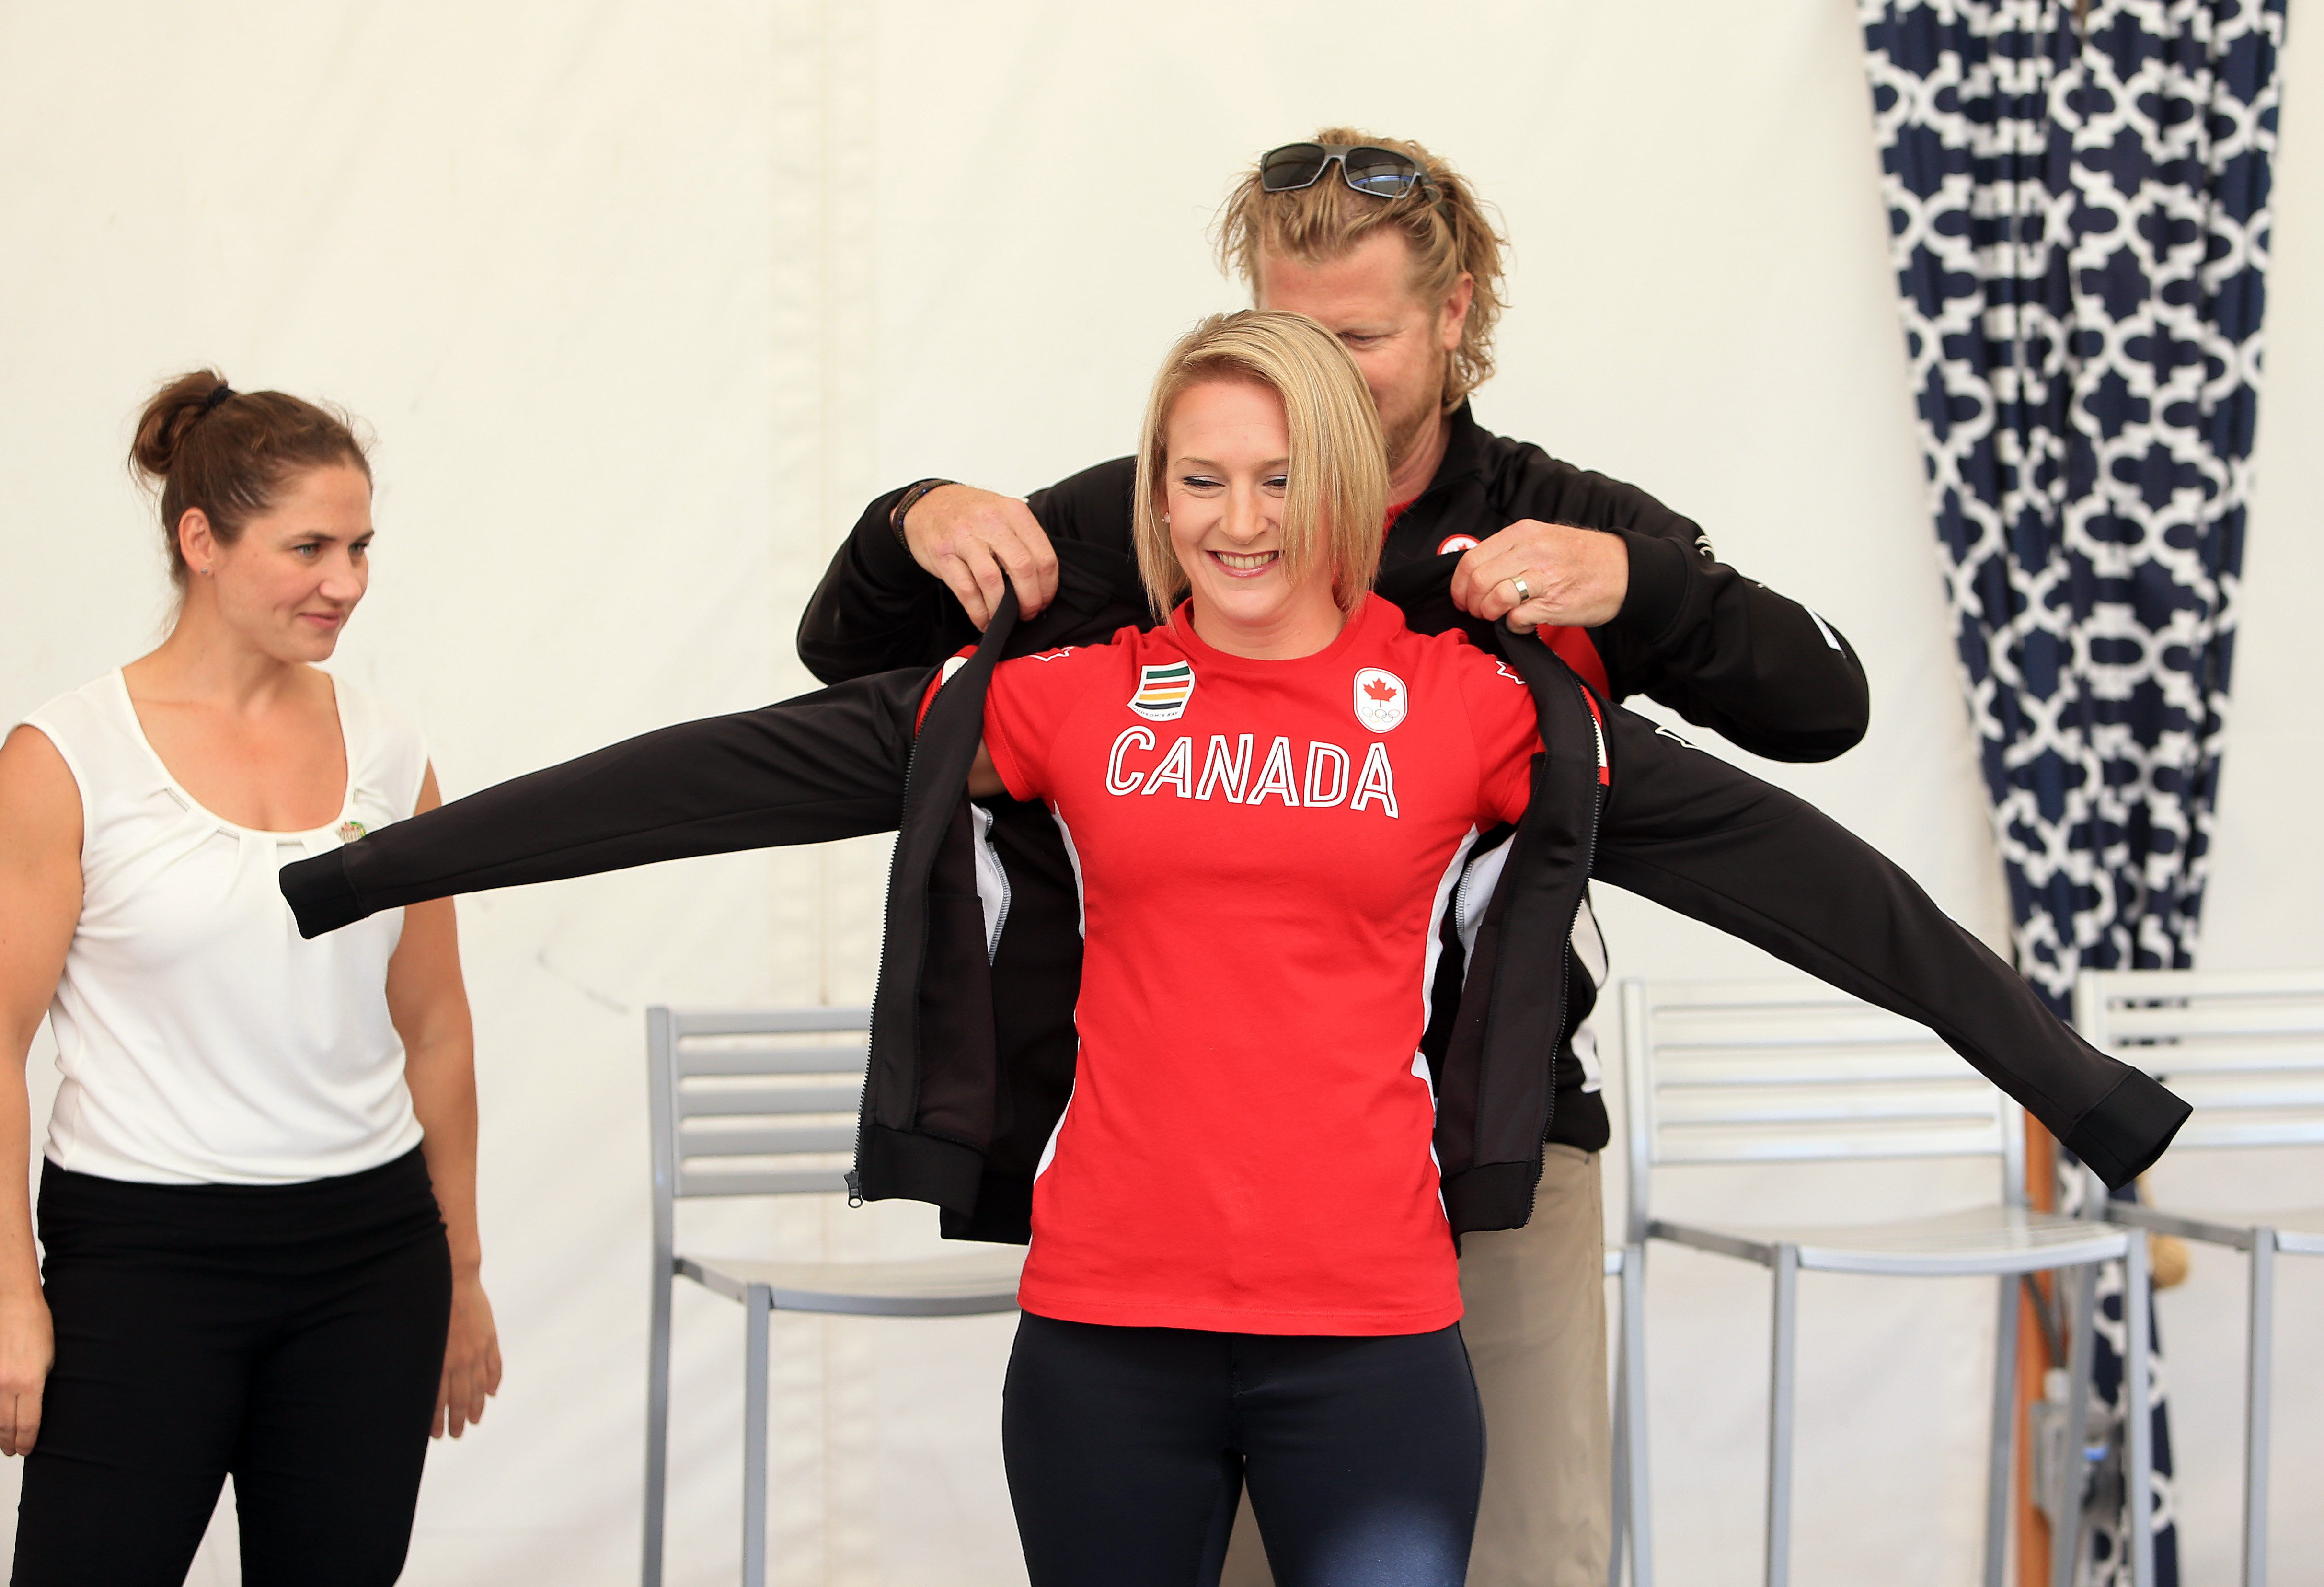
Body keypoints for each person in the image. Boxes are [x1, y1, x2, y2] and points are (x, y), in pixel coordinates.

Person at [278, 313, 2185, 1587]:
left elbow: (1811, 881)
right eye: (1201, 479)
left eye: (1280, 477)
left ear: (1348, 482)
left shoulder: (1475, 708)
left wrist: (2086, 1095)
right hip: (1109, 1337)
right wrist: (374, 872)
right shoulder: (1062, 697)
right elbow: (729, 773)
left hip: (1373, 1345)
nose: (1241, 517)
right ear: (1152, 496)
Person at [795, 130, 1871, 1587]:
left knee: (1525, 1566)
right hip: (1210, 1186)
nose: (1321, 376)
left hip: (1494, 1147)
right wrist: (910, 519)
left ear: (1456, 313)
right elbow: (850, 669)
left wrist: (1647, 587)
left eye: (1358, 337)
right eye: (1289, 330)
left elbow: (1825, 706)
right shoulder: (1177, 507)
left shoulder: (1555, 519)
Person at [0, 372, 502, 1586]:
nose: (348, 582)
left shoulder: (390, 751)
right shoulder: (69, 758)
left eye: (362, 547)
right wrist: (15, 1297)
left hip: (371, 1261)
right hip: (139, 1263)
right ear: (201, 541)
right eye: (310, 547)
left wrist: (464, 1275)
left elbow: (433, 1029)